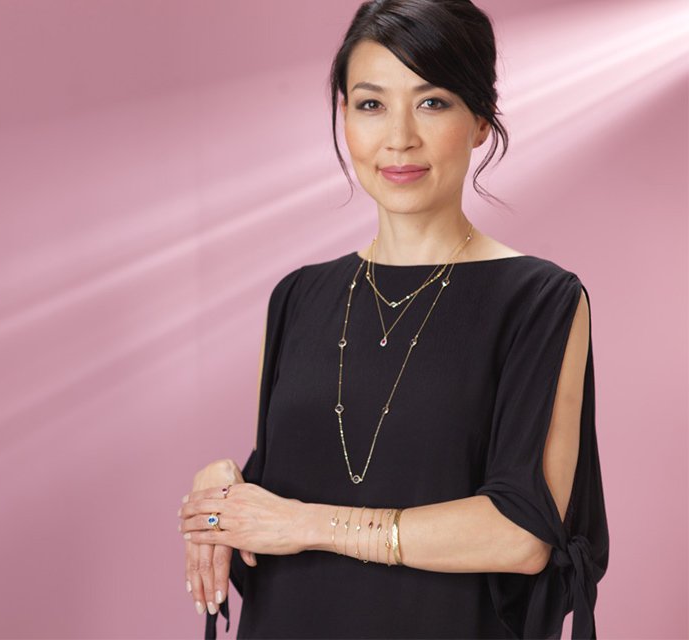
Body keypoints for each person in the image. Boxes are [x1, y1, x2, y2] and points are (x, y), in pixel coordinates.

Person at [177, 0, 610, 638]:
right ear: (344, 116)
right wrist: (220, 494)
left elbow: (522, 531)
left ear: (482, 121)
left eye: (432, 102)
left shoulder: (539, 299)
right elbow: (275, 499)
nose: (399, 137)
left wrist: (305, 525)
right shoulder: (298, 297)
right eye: (371, 104)